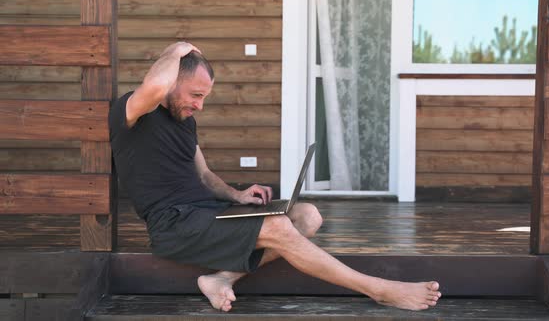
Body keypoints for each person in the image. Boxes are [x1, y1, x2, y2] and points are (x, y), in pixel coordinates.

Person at [109, 42, 441, 313]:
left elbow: (205, 175)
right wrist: (177, 49)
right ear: (172, 81)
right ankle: (379, 290)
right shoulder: (134, 111)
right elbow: (153, 85)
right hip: (174, 225)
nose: (200, 105)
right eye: (196, 95)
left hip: (207, 213)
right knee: (279, 227)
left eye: (205, 97)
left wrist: (238, 195)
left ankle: (222, 278)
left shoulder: (185, 124)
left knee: (306, 215)